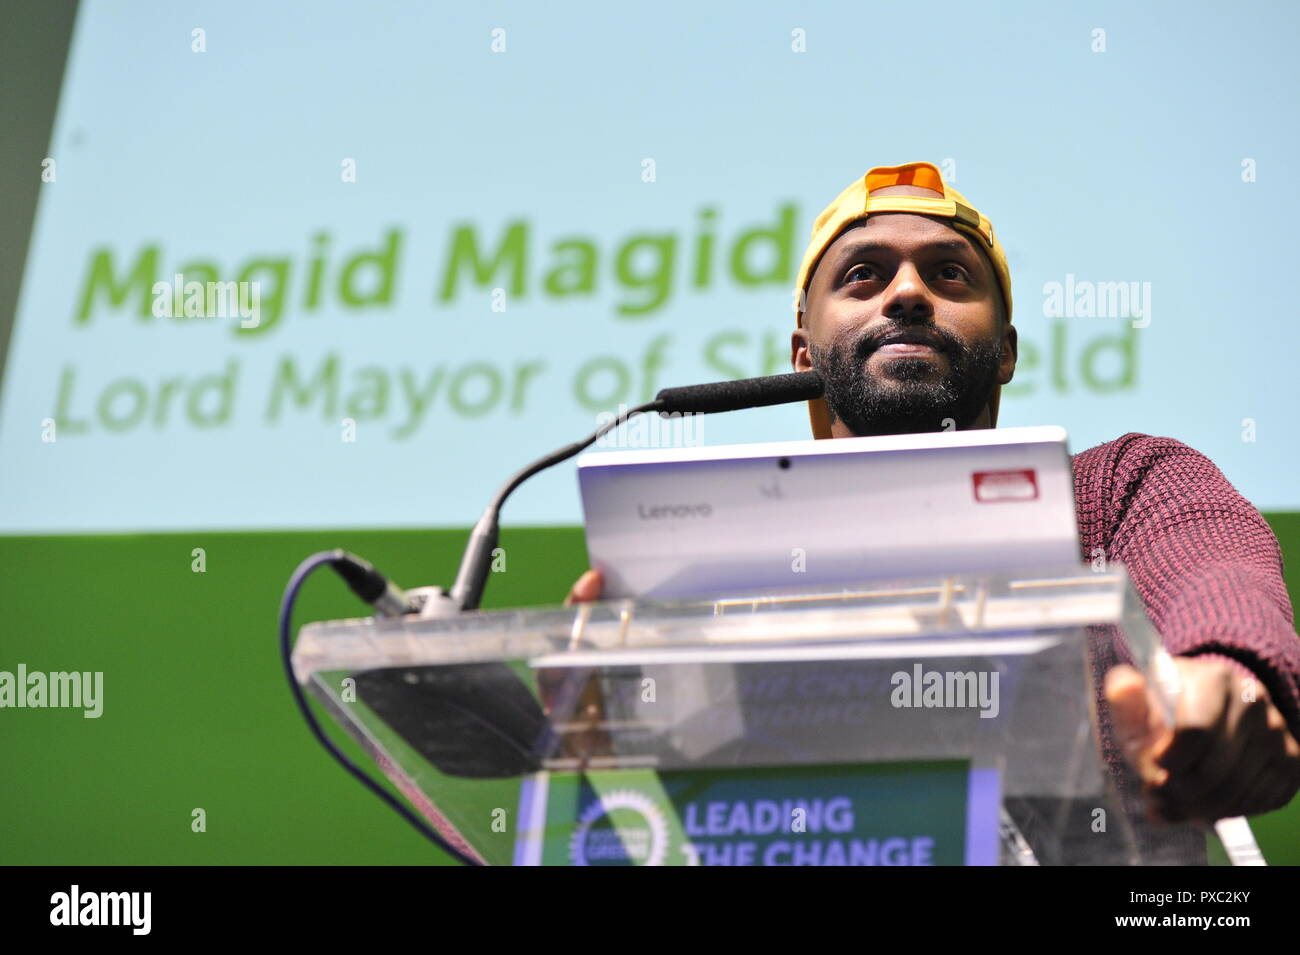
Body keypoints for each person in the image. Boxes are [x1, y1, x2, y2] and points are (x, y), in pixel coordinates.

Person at [568, 161, 1300, 852]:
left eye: (950, 273)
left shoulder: (1119, 486)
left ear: (1007, 351)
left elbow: (1212, 568)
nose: (908, 293)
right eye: (864, 276)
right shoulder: (722, 572)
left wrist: (1224, 677)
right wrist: (610, 743)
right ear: (804, 356)